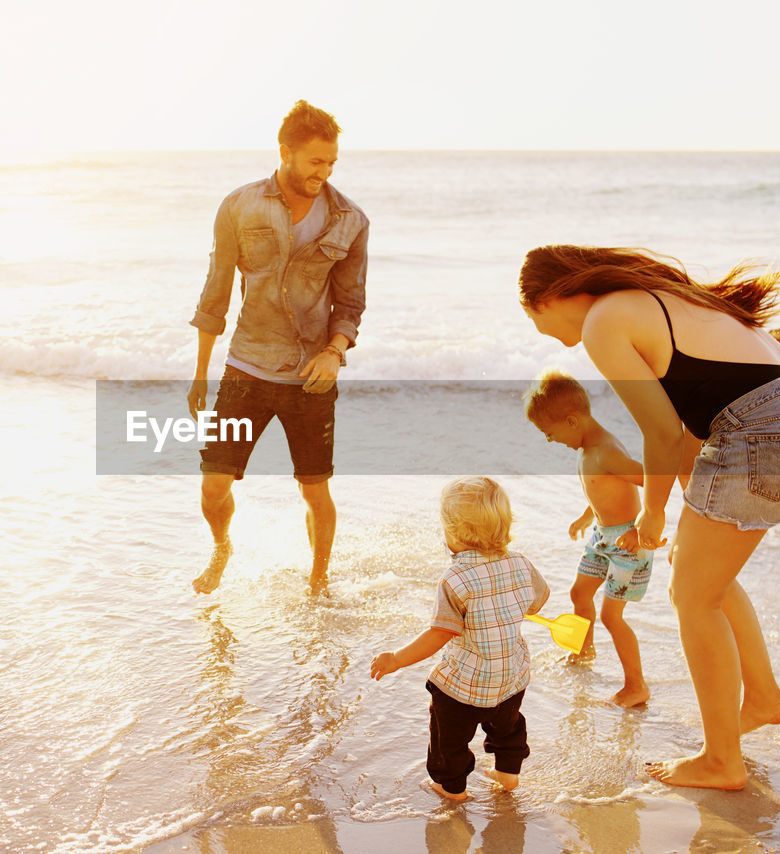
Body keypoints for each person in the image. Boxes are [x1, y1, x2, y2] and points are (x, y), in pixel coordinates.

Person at [519, 245, 780, 790]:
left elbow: (660, 432)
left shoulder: (603, 321)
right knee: (704, 578)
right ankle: (762, 697)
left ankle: (721, 762)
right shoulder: (653, 299)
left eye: (533, 317)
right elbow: (699, 411)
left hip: (765, 433)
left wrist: (653, 512)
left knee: (693, 598)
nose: (541, 333)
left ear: (550, 297)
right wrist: (686, 501)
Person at [186, 100, 369, 597]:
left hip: (310, 378)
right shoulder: (240, 205)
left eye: (331, 163)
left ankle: (318, 582)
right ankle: (222, 547)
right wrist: (201, 372)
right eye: (315, 161)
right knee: (212, 487)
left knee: (315, 489)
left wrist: (334, 352)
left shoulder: (350, 219)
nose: (324, 172)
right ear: (286, 152)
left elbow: (351, 303)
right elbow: (215, 292)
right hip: (246, 368)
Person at [370, 477, 550, 801]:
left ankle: (451, 787)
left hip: (463, 688)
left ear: (453, 534)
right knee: (508, 728)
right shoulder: (521, 563)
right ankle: (508, 775)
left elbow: (441, 633)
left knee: (448, 741)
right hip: (511, 678)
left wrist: (396, 659)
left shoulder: (455, 578)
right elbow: (539, 599)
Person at [523, 368, 653, 708]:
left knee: (613, 616)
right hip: (600, 537)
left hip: (628, 542)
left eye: (549, 434)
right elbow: (602, 488)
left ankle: (636, 685)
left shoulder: (607, 451)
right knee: (579, 593)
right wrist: (587, 514)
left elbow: (653, 481)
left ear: (571, 421)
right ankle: (584, 650)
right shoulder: (587, 448)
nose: (551, 441)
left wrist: (642, 526)